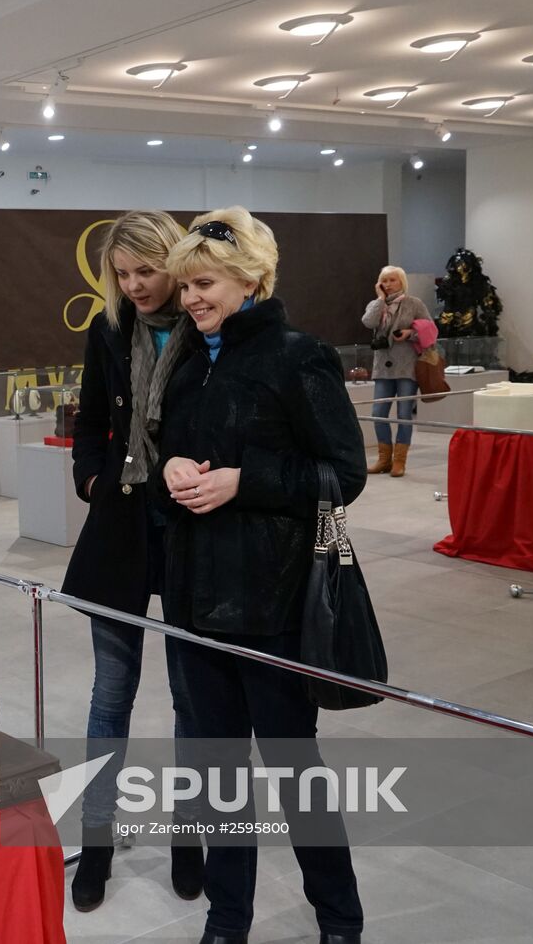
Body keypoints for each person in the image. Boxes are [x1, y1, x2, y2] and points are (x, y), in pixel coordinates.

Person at [155, 206, 366, 944]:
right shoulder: (185, 358)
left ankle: (340, 922)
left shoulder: (297, 356)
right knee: (217, 777)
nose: (191, 300)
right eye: (185, 287)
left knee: (295, 772)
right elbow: (170, 459)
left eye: (204, 283)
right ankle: (227, 922)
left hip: (272, 605)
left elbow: (344, 474)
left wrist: (247, 482)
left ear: (251, 279)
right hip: (192, 602)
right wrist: (170, 468)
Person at [59, 210, 203, 912]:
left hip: (190, 534)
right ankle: (95, 839)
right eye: (122, 273)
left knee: (190, 699)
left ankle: (189, 839)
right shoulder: (110, 329)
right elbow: (88, 421)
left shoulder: (210, 328)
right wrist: (90, 479)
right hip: (118, 529)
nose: (134, 284)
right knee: (111, 694)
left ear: (172, 262)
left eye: (145, 270)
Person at [360, 265, 432, 478]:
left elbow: (430, 329)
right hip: (383, 366)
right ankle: (384, 459)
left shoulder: (414, 303)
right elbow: (368, 322)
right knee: (378, 414)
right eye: (385, 280)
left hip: (407, 366)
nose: (389, 284)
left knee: (403, 414)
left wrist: (410, 333)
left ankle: (399, 461)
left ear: (402, 282)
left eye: (393, 280)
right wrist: (380, 299)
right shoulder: (377, 304)